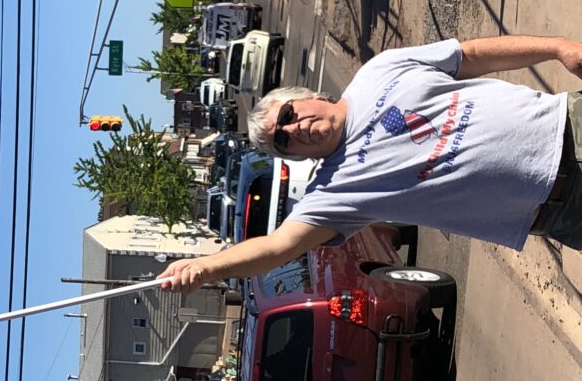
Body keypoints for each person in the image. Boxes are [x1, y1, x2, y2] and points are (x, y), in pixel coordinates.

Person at [159, 35, 582, 292]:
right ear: (294, 157)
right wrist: (206, 268)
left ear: (311, 96)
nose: (295, 129)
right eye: (283, 141)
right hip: (564, 210)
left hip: (569, 124)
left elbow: (468, 55)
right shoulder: (333, 194)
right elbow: (276, 247)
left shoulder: (379, 71)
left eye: (288, 115)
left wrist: (557, 48)